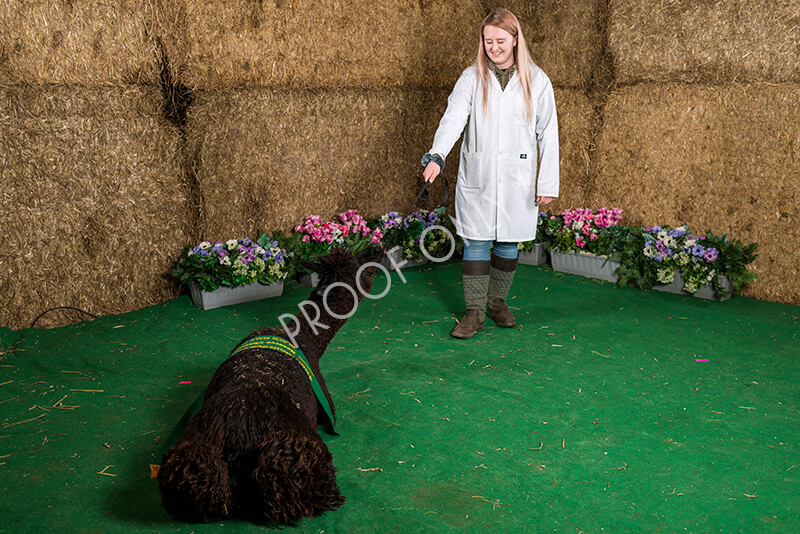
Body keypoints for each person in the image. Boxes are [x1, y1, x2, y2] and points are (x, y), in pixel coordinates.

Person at [421, 8, 559, 339]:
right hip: (479, 174)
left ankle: (497, 302)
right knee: (477, 241)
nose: (493, 47)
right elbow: (453, 118)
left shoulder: (536, 80)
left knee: (508, 242)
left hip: (518, 177)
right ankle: (474, 312)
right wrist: (437, 155)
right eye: (487, 41)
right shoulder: (472, 77)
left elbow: (548, 133)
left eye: (500, 40)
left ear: (515, 39)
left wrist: (547, 182)